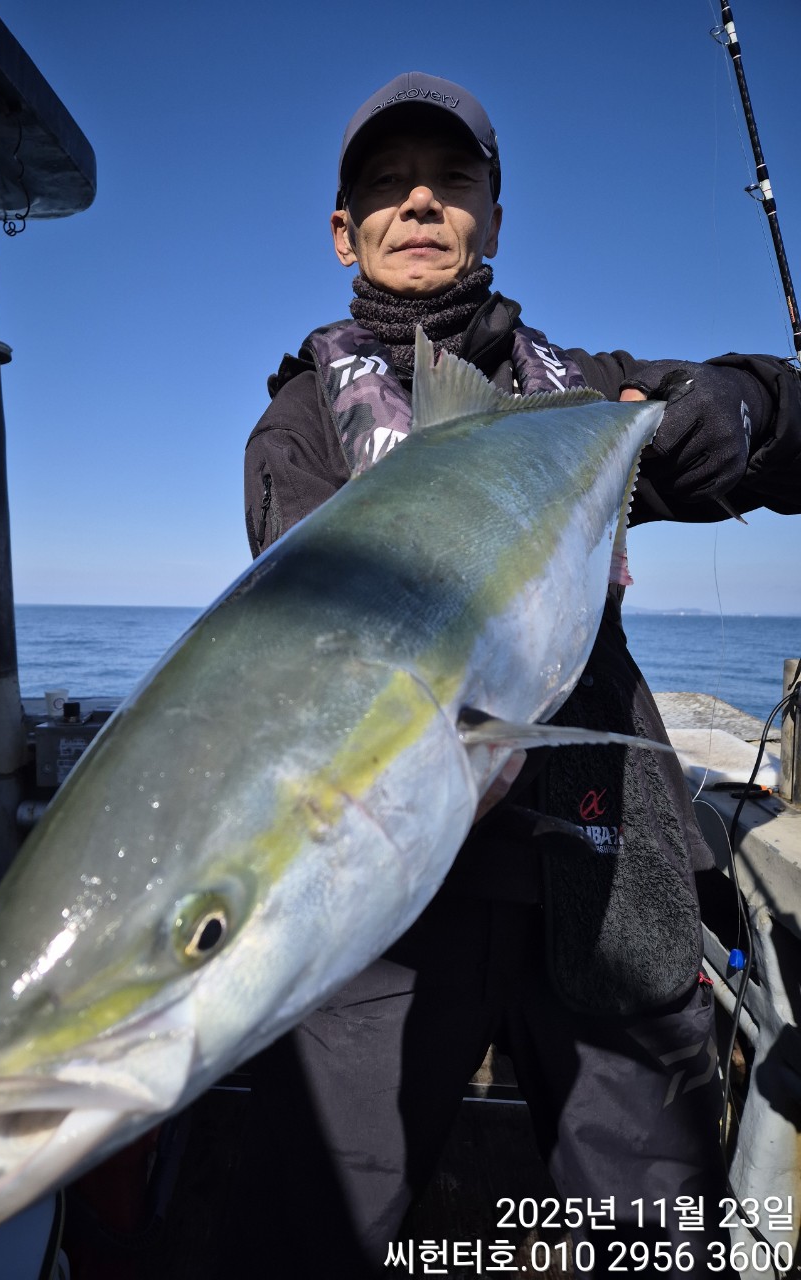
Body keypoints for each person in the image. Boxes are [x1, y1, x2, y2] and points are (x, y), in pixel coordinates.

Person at [230, 72, 801, 1278]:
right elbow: (327, 660)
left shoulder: (579, 396)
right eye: (386, 186)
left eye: (452, 180)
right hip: (393, 898)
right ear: (343, 231)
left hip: (605, 863)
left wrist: (742, 409)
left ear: (493, 213)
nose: (419, 203)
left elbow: (779, 429)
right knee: (313, 1229)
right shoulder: (302, 427)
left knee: (649, 1242)